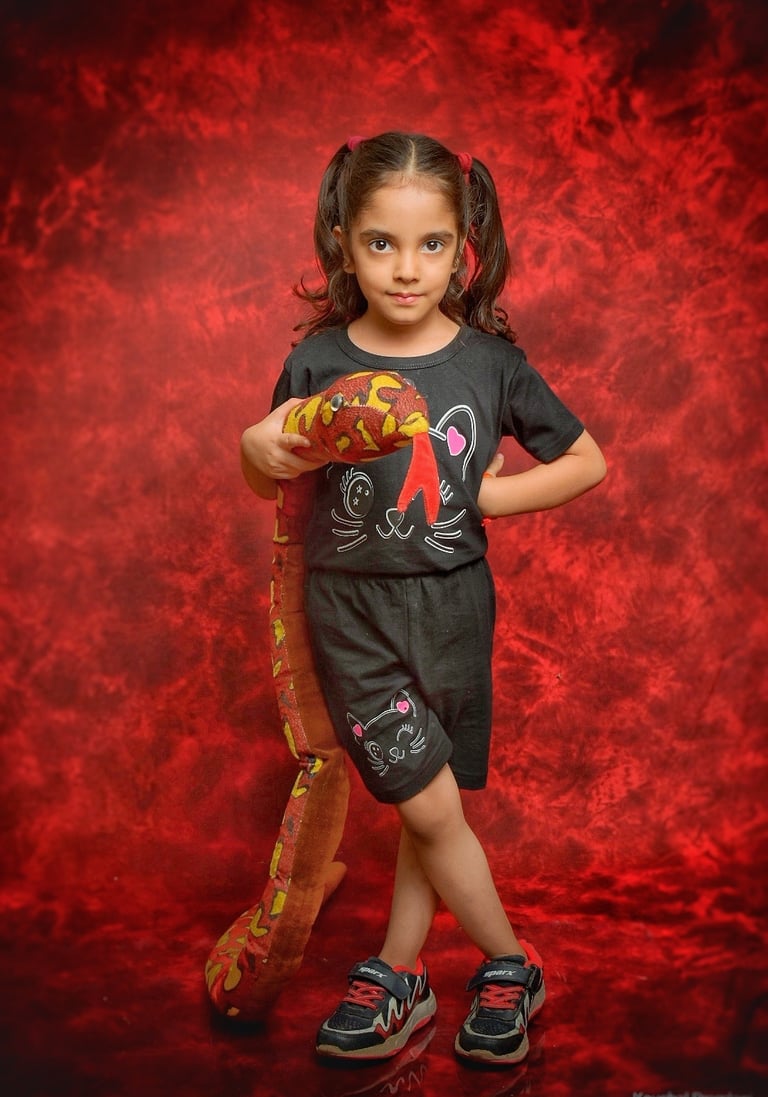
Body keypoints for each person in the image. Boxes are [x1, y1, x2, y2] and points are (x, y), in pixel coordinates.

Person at [240, 131, 606, 1065]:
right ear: (342, 239)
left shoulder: (488, 364)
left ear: (464, 242)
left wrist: (488, 494)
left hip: (454, 610)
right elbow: (271, 456)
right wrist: (257, 448)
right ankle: (511, 962)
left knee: (425, 804)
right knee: (429, 803)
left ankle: (400, 975)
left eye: (431, 245)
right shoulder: (319, 360)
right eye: (380, 244)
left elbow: (585, 459)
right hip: (351, 620)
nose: (407, 270)